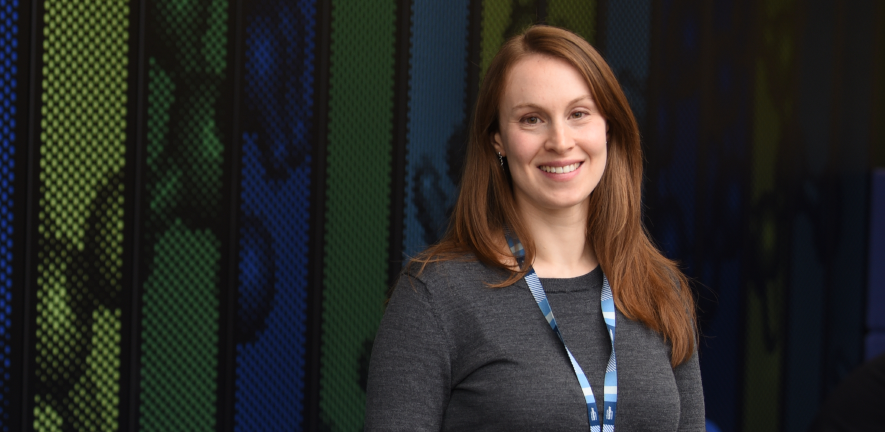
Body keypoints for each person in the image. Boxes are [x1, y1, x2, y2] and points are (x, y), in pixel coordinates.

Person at [365, 25, 705, 431]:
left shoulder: (659, 287)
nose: (560, 141)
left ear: (608, 128)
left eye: (579, 114)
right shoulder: (436, 296)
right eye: (532, 119)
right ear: (498, 140)